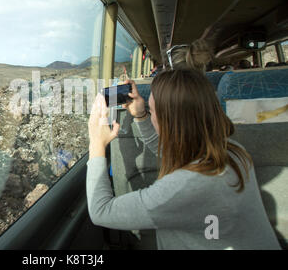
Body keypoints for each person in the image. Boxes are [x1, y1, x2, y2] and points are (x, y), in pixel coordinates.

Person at [87, 69, 281, 250]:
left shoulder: (182, 188)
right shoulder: (231, 151)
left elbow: (101, 211)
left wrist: (96, 144)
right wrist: (141, 115)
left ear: (172, 123)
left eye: (153, 111)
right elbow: (170, 151)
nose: (151, 115)